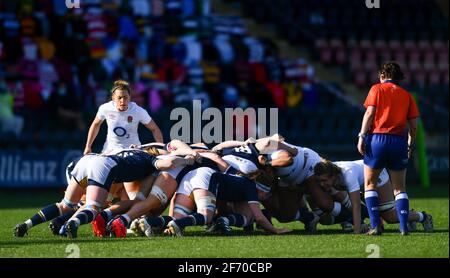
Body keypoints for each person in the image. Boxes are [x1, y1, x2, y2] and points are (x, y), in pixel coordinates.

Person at [357, 61, 420, 235]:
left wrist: (361, 136)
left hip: (377, 139)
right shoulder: (407, 95)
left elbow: (369, 113)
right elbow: (414, 126)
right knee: (400, 188)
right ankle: (403, 227)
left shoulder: (376, 89)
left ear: (382, 75)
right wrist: (409, 143)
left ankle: (376, 226)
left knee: (370, 185)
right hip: (398, 141)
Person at [314, 159, 433, 234]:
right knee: (346, 200)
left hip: (376, 175)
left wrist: (357, 231)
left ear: (332, 176)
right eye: (319, 181)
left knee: (390, 217)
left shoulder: (348, 175)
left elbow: (356, 205)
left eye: (324, 180)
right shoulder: (331, 173)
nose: (322, 184)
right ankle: (405, 216)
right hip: (363, 184)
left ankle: (423, 217)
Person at [84, 79, 163, 155]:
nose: (122, 101)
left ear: (130, 97)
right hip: (109, 150)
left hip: (133, 150)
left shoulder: (138, 111)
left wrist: (161, 149)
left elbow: (154, 129)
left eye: (125, 97)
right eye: (119, 98)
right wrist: (88, 146)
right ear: (113, 98)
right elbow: (96, 125)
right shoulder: (105, 108)